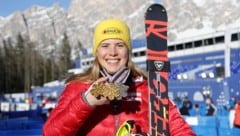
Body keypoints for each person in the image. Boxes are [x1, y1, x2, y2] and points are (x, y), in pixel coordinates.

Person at [43, 19, 195, 136]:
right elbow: (50, 133)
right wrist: (87, 101)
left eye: (120, 45)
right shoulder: (78, 87)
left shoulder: (149, 89)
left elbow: (182, 131)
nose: (113, 52)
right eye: (105, 45)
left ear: (128, 51)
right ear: (96, 52)